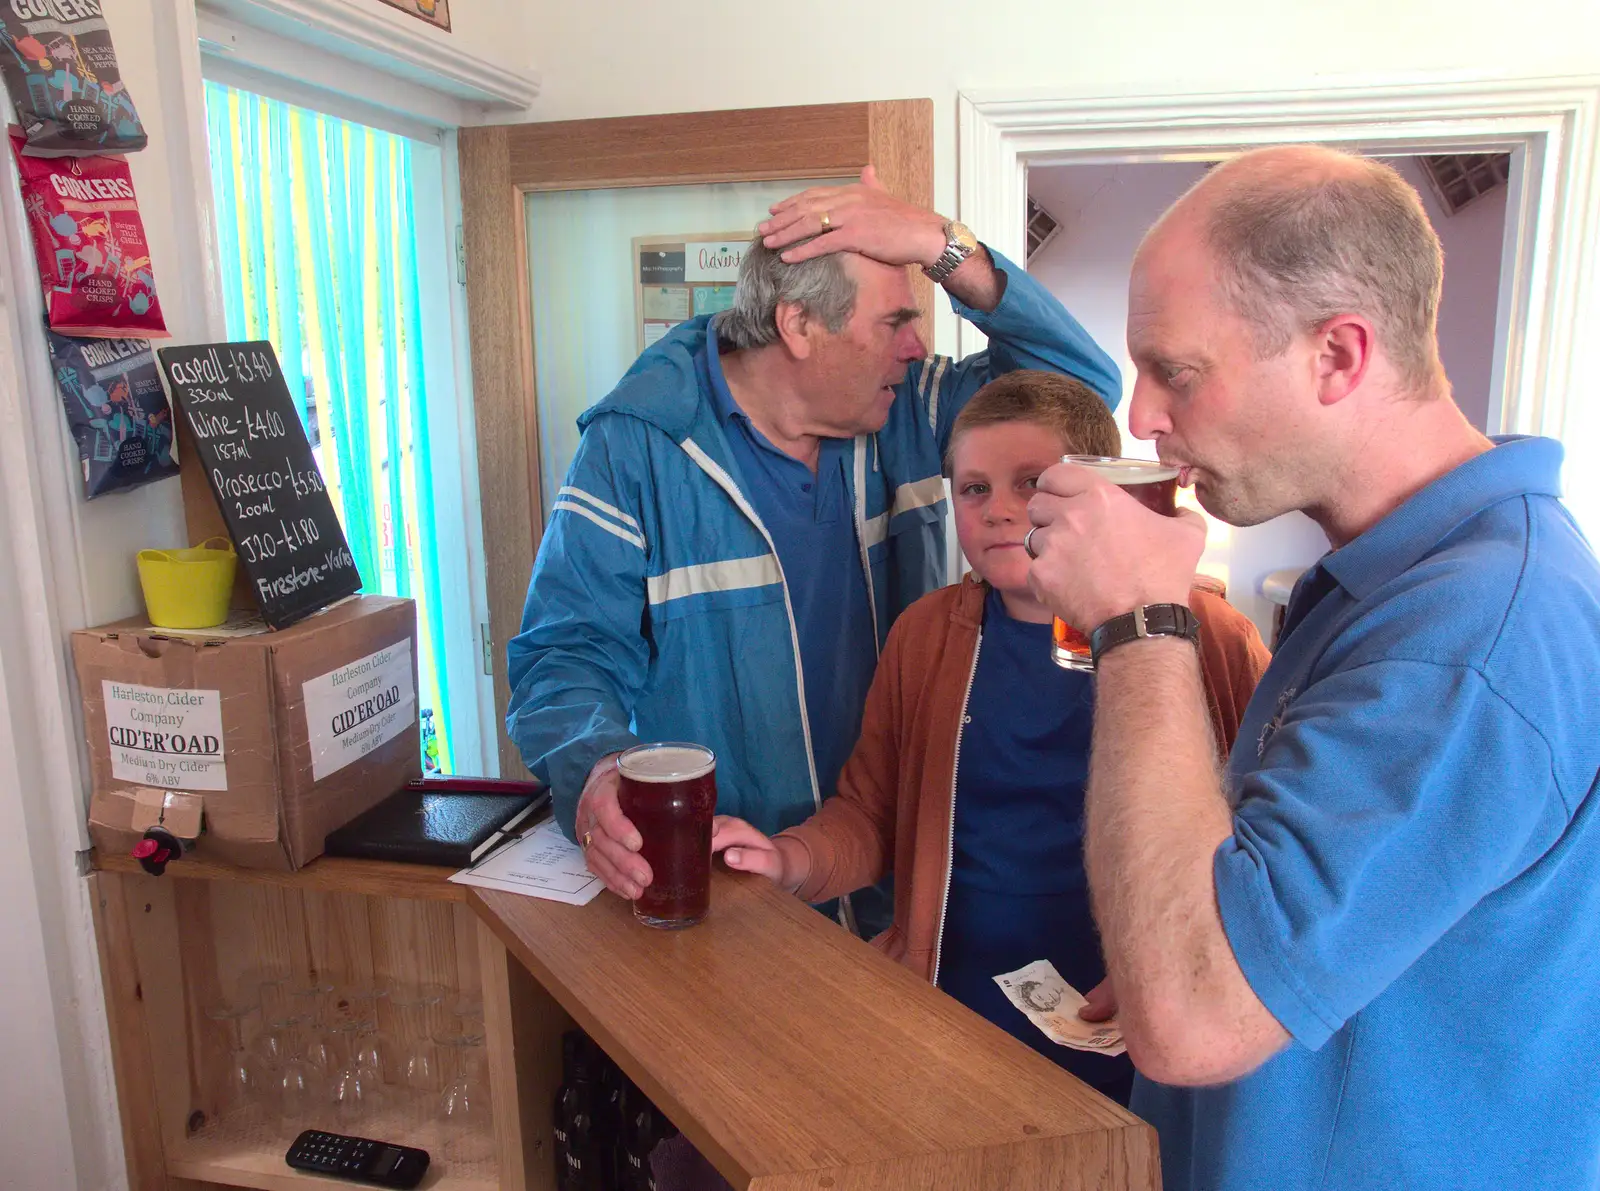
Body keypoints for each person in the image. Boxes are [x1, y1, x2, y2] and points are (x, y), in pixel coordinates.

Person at [1024, 144, 1600, 1190]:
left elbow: (1196, 1022)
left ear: (1337, 355)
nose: (1142, 416)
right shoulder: (1391, 581)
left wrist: (1136, 619)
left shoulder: (1469, 634)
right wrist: (1182, 936)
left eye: (1176, 370)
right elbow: (1291, 914)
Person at [506, 168, 1120, 939]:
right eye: (894, 321)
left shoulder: (909, 409)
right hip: (733, 895)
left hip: (899, 892)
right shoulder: (637, 447)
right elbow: (561, 660)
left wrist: (941, 245)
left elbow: (1086, 399)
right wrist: (595, 769)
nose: (917, 345)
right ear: (799, 326)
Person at [708, 370, 1271, 1105]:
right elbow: (872, 815)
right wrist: (790, 857)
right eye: (974, 489)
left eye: (1031, 482)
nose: (1001, 510)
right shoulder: (925, 637)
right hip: (949, 1011)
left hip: (1139, 1034)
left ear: (1102, 494)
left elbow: (1263, 849)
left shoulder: (1211, 639)